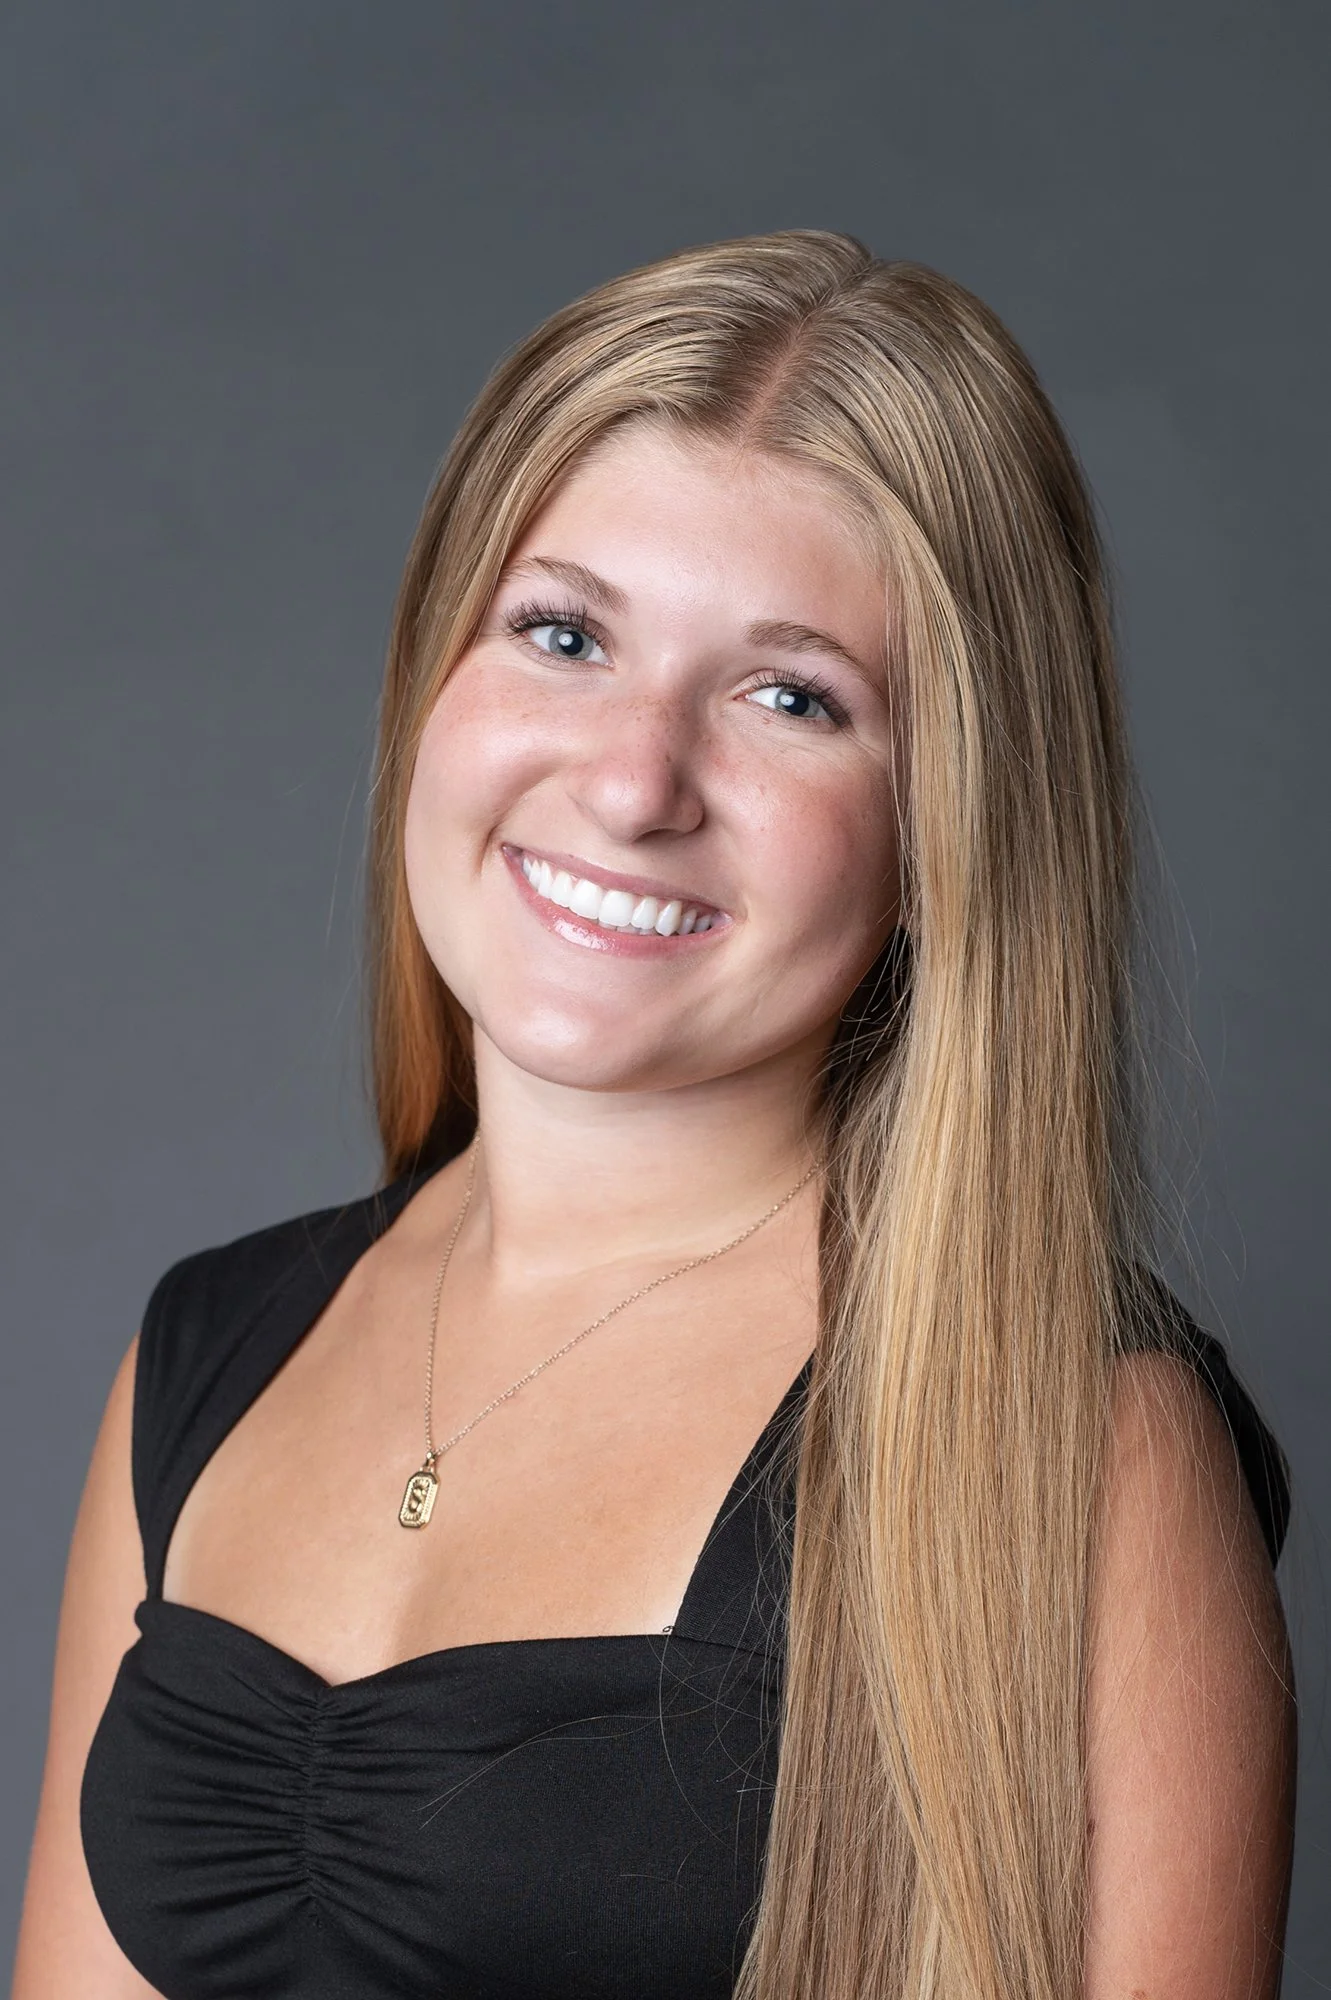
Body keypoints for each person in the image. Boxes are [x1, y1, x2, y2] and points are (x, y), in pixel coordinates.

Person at [14, 230, 1295, 2000]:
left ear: (948, 829)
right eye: (561, 633)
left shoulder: (1083, 1448)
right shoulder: (203, 1353)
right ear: (432, 682)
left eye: (791, 697)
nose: (631, 783)